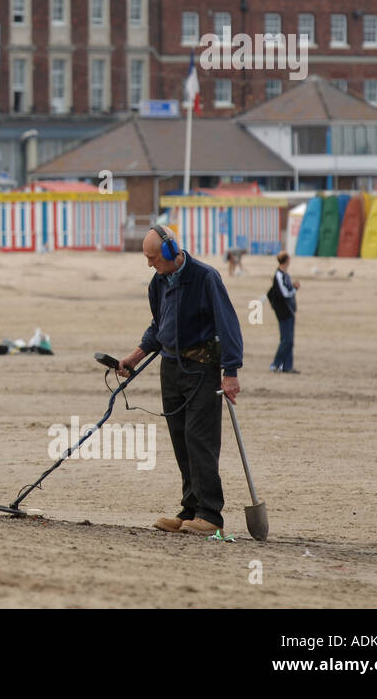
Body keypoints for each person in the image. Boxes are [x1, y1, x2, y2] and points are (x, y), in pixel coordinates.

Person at [118, 226, 243, 536]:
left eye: (153, 258)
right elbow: (158, 327)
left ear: (172, 252)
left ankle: (210, 515)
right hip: (171, 369)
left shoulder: (205, 277)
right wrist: (134, 357)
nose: (150, 264)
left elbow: (227, 323)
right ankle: (190, 509)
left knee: (200, 439)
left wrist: (231, 372)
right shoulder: (158, 283)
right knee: (180, 440)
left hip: (202, 369)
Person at [268, 252, 300, 373]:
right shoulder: (279, 275)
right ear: (286, 261)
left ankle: (287, 366)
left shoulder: (284, 275)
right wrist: (295, 289)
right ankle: (275, 364)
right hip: (284, 312)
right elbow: (285, 293)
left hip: (289, 311)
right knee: (286, 340)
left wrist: (292, 288)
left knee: (290, 341)